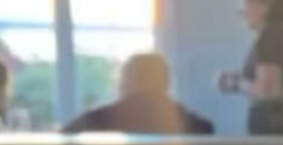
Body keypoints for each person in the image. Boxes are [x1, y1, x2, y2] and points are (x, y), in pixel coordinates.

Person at [217, 0, 283, 135]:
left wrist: (234, 83)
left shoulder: (272, 37)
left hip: (273, 126)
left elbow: (267, 89)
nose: (243, 12)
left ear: (265, 5)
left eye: (247, 3)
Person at [62, 52, 213, 135]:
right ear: (165, 82)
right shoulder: (196, 125)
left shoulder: (96, 120)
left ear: (129, 80)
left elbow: (62, 140)